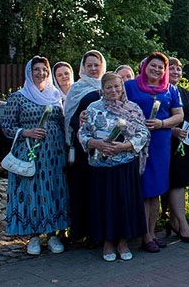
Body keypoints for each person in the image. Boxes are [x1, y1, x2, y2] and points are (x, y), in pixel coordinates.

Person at [78, 73, 150, 262]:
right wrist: (96, 143)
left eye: (117, 87)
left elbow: (143, 133)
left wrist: (125, 146)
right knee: (105, 204)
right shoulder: (92, 109)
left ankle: (123, 242)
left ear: (122, 87)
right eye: (109, 87)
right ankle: (107, 242)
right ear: (102, 89)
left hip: (125, 164)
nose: (113, 91)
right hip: (101, 165)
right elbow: (82, 133)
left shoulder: (133, 108)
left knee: (124, 203)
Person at [2, 56, 68, 256]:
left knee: (55, 191)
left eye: (44, 70)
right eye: (37, 70)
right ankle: (33, 236)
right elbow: (7, 127)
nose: (41, 73)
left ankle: (54, 233)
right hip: (31, 153)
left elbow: (62, 123)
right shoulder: (18, 97)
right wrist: (26, 132)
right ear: (29, 73)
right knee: (32, 193)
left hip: (54, 155)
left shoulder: (55, 96)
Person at [124, 52, 184, 253]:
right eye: (153, 66)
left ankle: (151, 232)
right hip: (138, 144)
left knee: (156, 191)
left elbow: (179, 116)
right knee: (143, 191)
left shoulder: (170, 90)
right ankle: (144, 235)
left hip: (160, 143)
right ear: (145, 66)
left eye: (161, 67)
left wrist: (161, 123)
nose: (157, 70)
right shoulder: (131, 86)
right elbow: (121, 110)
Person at [64, 50, 106, 242]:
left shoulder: (108, 86)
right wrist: (80, 121)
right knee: (84, 189)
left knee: (101, 190)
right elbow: (69, 119)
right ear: (83, 67)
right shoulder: (76, 88)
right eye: (89, 65)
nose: (93, 68)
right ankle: (82, 231)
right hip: (83, 148)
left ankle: (100, 231)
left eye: (96, 65)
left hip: (105, 147)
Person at [164, 57, 189, 242]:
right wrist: (172, 131)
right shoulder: (162, 93)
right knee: (175, 183)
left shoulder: (184, 92)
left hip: (186, 143)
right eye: (172, 69)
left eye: (179, 69)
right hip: (168, 143)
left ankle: (175, 220)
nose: (176, 72)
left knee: (180, 183)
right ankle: (181, 223)